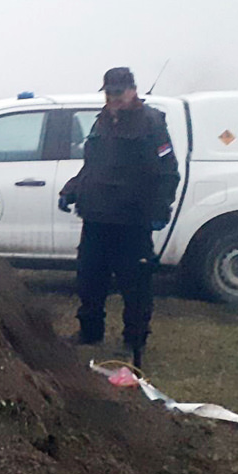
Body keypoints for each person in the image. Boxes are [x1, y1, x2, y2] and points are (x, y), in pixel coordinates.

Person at [58, 67, 180, 369]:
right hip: (96, 216)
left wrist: (160, 210)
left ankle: (135, 338)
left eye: (118, 92)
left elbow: (168, 172)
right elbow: (93, 166)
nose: (113, 98)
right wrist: (72, 190)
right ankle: (89, 333)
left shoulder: (151, 123)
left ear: (132, 90)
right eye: (108, 92)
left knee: (135, 283)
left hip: (132, 218)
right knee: (89, 278)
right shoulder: (101, 122)